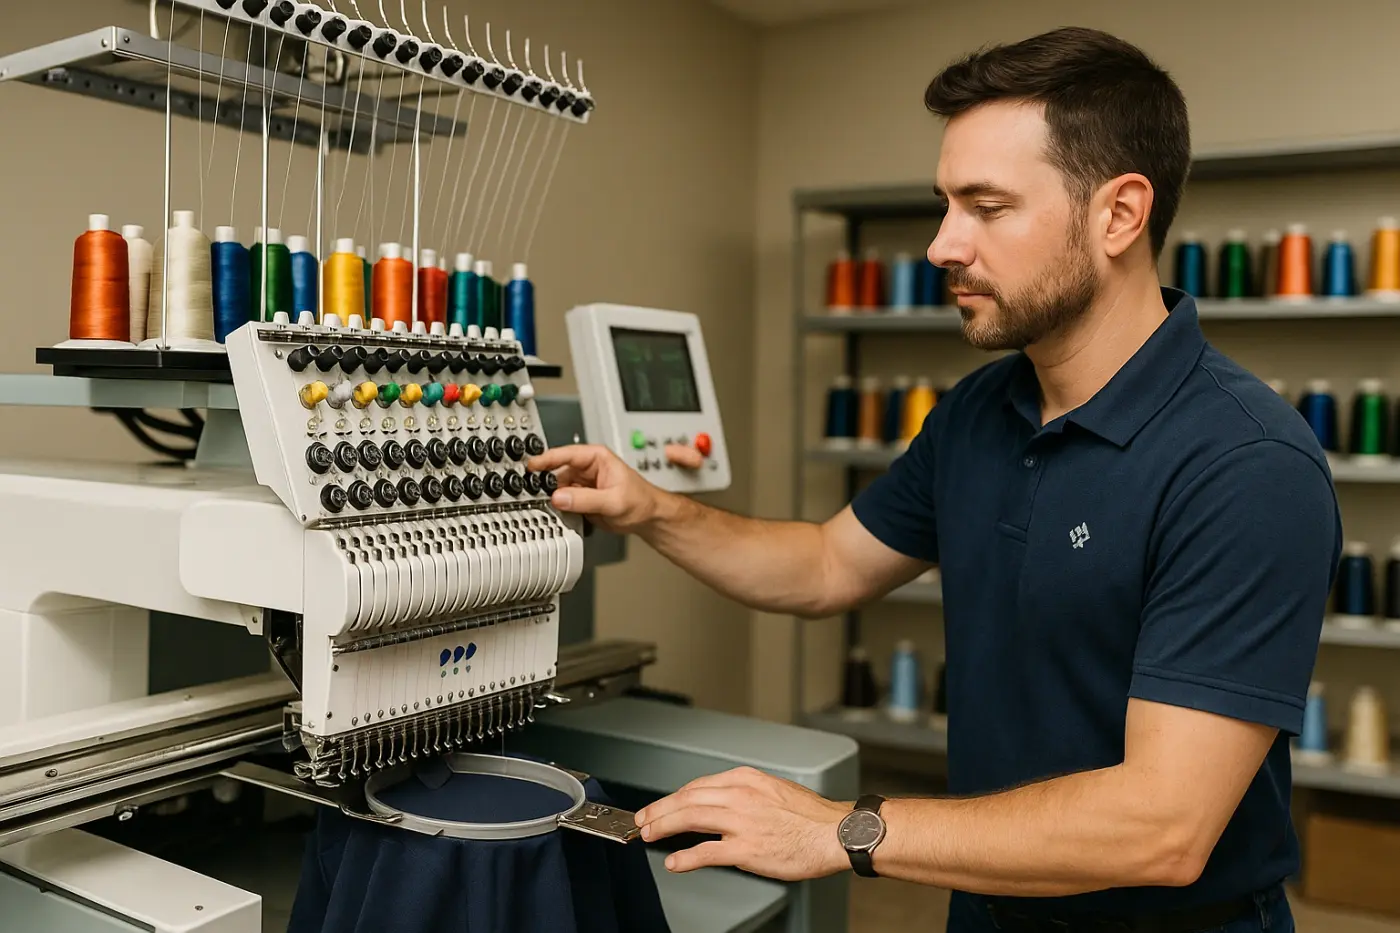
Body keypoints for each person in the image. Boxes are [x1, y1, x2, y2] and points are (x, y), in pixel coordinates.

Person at [528, 26, 1340, 933]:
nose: (942, 245)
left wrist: (845, 830)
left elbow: (1162, 826)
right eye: (944, 204)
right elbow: (826, 565)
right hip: (991, 907)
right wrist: (651, 509)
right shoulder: (978, 412)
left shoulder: (1244, 465)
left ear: (1118, 215)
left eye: (986, 207)